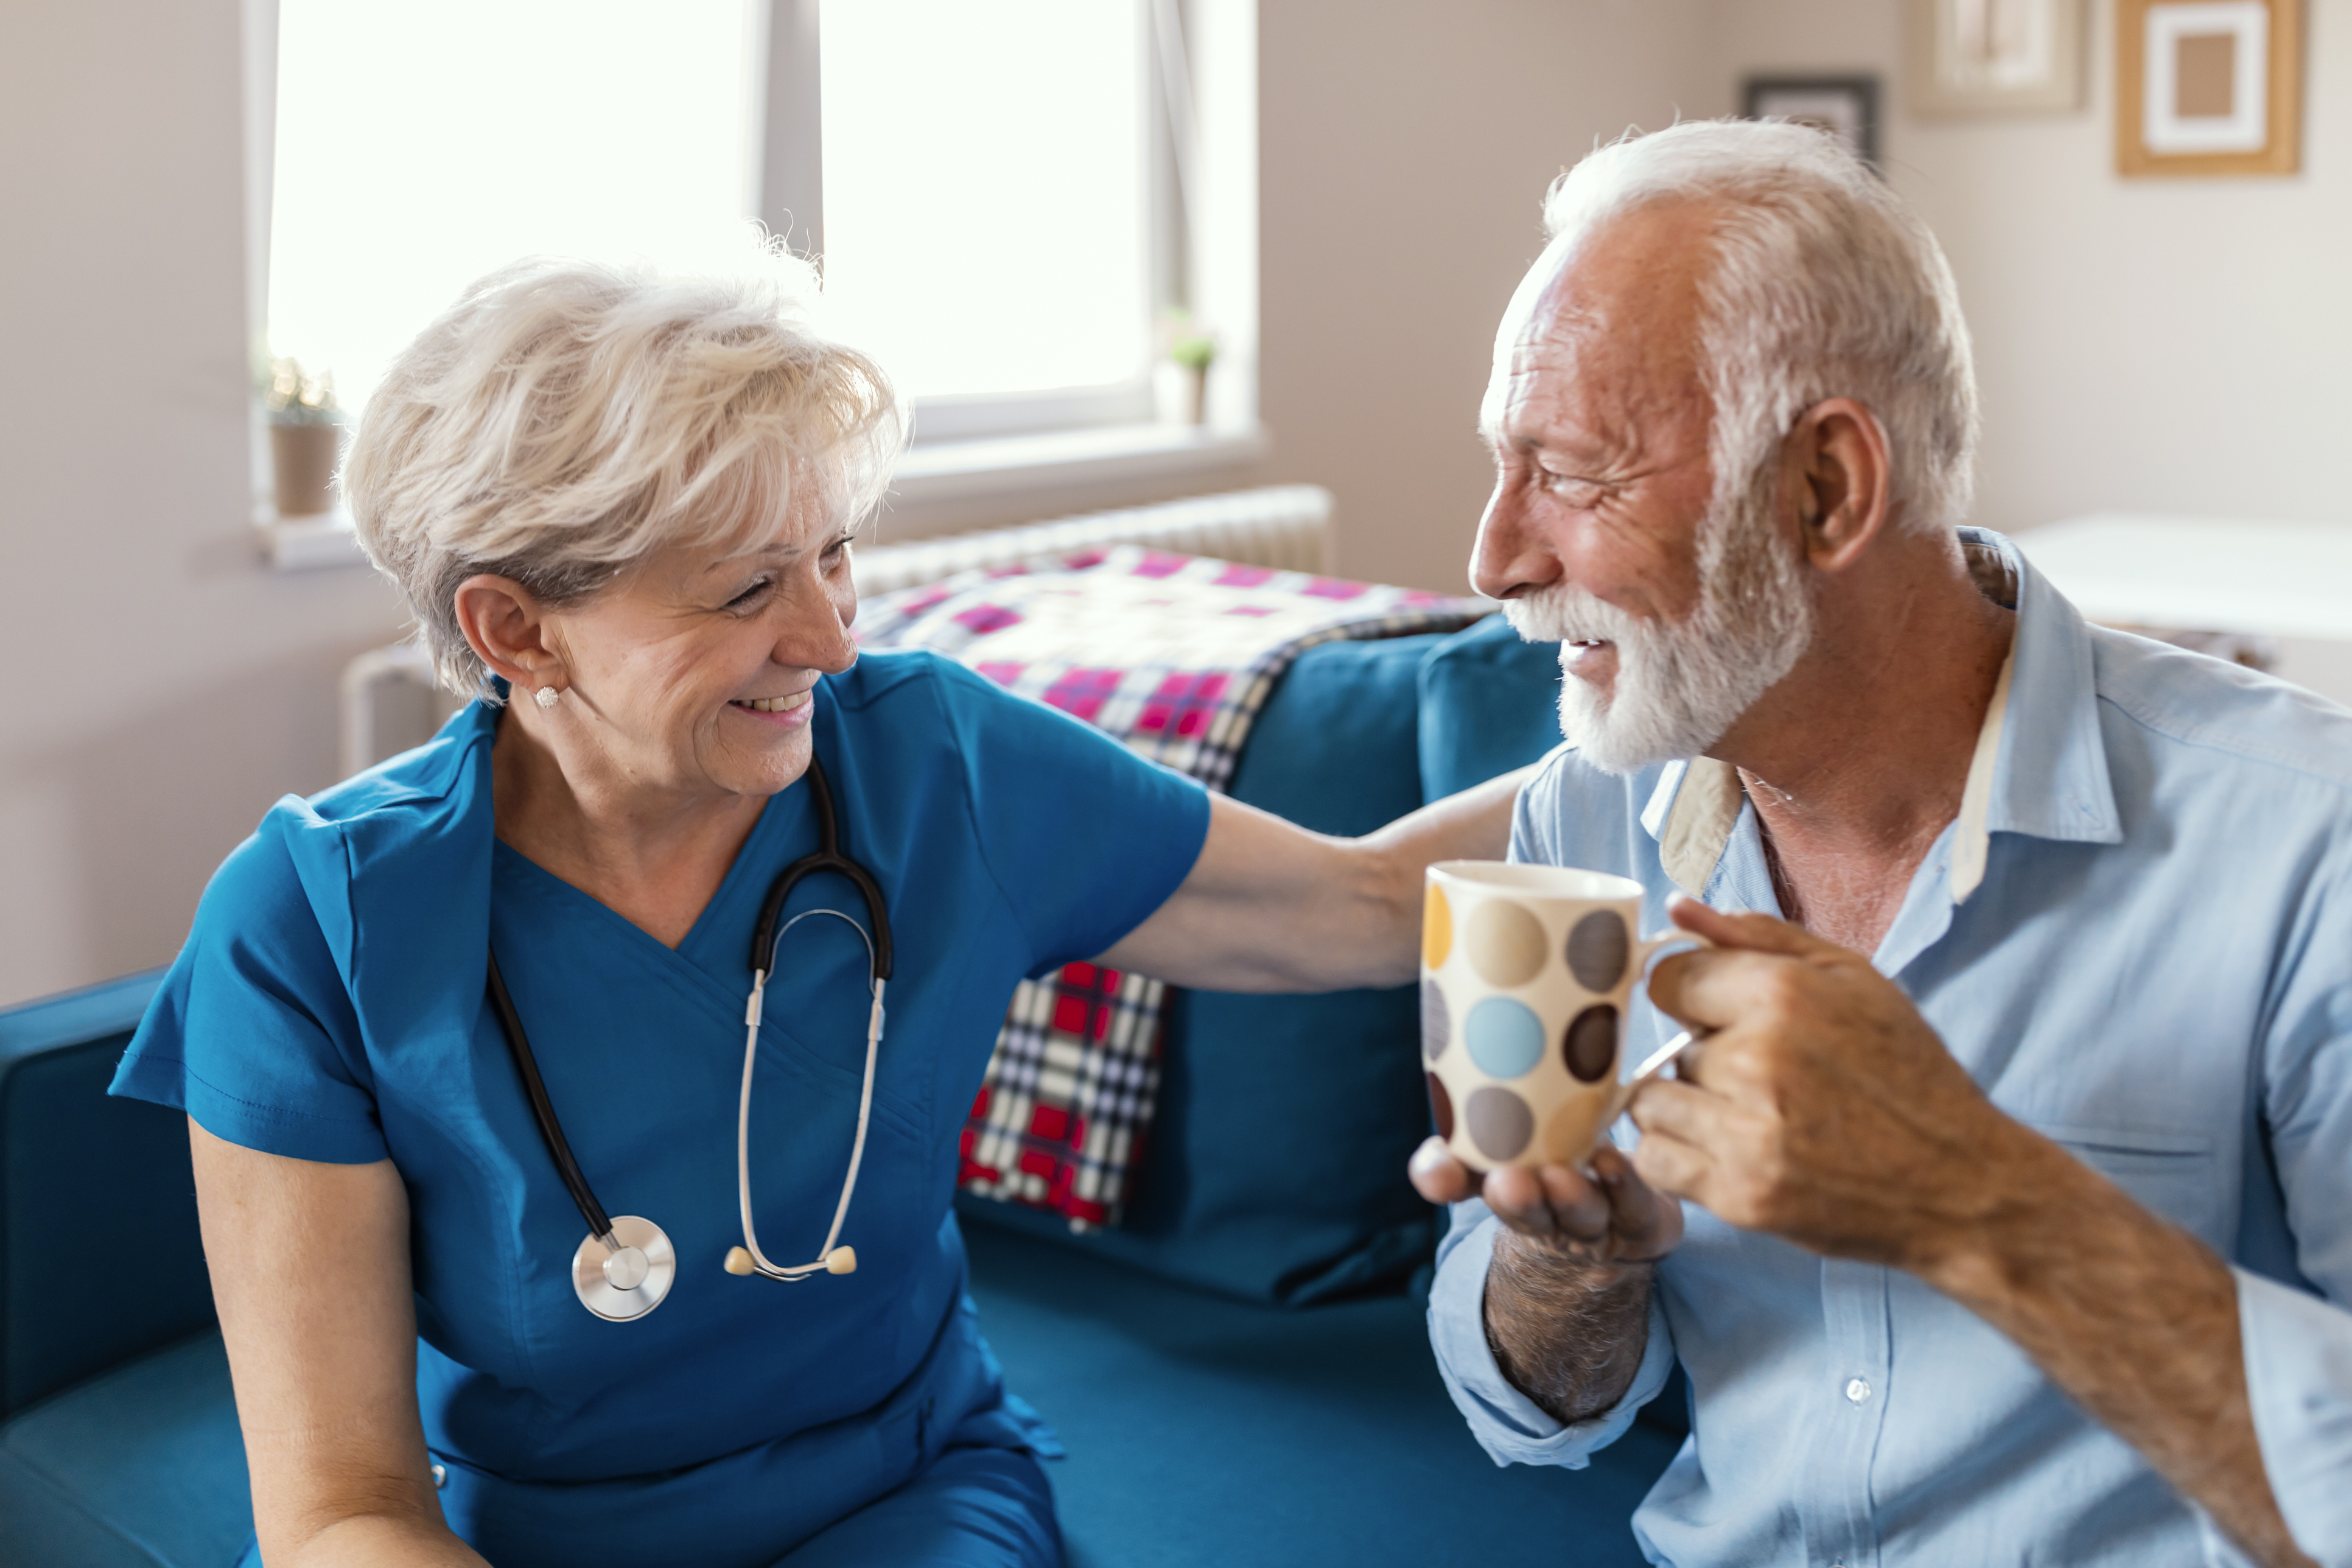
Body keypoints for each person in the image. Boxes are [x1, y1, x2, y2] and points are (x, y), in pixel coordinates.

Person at [111, 252, 1523, 1568]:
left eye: (833, 553)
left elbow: (1371, 903)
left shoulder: (935, 770)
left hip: (904, 1500)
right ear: (516, 630)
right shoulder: (312, 925)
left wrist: (1681, 729)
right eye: (745, 590)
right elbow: (344, 1509)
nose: (831, 637)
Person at [1408, 119, 2350, 1568]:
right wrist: (1560, 1254)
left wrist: (1972, 1198)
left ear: (1827, 488)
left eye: (1574, 473)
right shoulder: (1580, 821)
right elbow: (1541, 1411)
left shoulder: (2305, 845)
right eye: (1501, 464)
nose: (1495, 559)